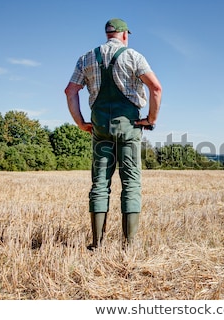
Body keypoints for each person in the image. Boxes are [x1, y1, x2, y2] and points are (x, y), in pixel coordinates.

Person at [64, 18, 162, 249]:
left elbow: (70, 91)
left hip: (99, 127)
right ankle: (130, 244)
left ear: (108, 34)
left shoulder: (86, 58)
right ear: (125, 35)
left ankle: (97, 243)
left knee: (99, 183)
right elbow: (156, 88)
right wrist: (151, 119)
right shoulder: (134, 57)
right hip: (129, 127)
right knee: (131, 183)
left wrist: (80, 122)